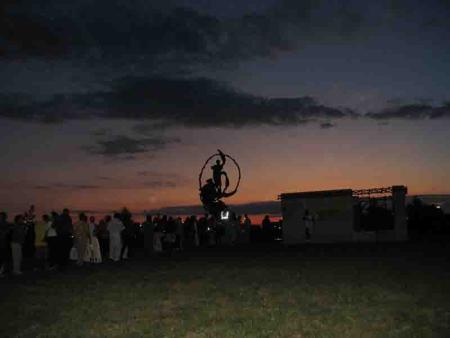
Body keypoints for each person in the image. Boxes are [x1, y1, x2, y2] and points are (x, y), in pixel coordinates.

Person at [0, 212, 11, 276]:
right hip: (3, 244)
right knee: (2, 258)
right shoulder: (6, 224)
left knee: (3, 258)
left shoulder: (6, 224)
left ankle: (2, 271)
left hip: (4, 244)